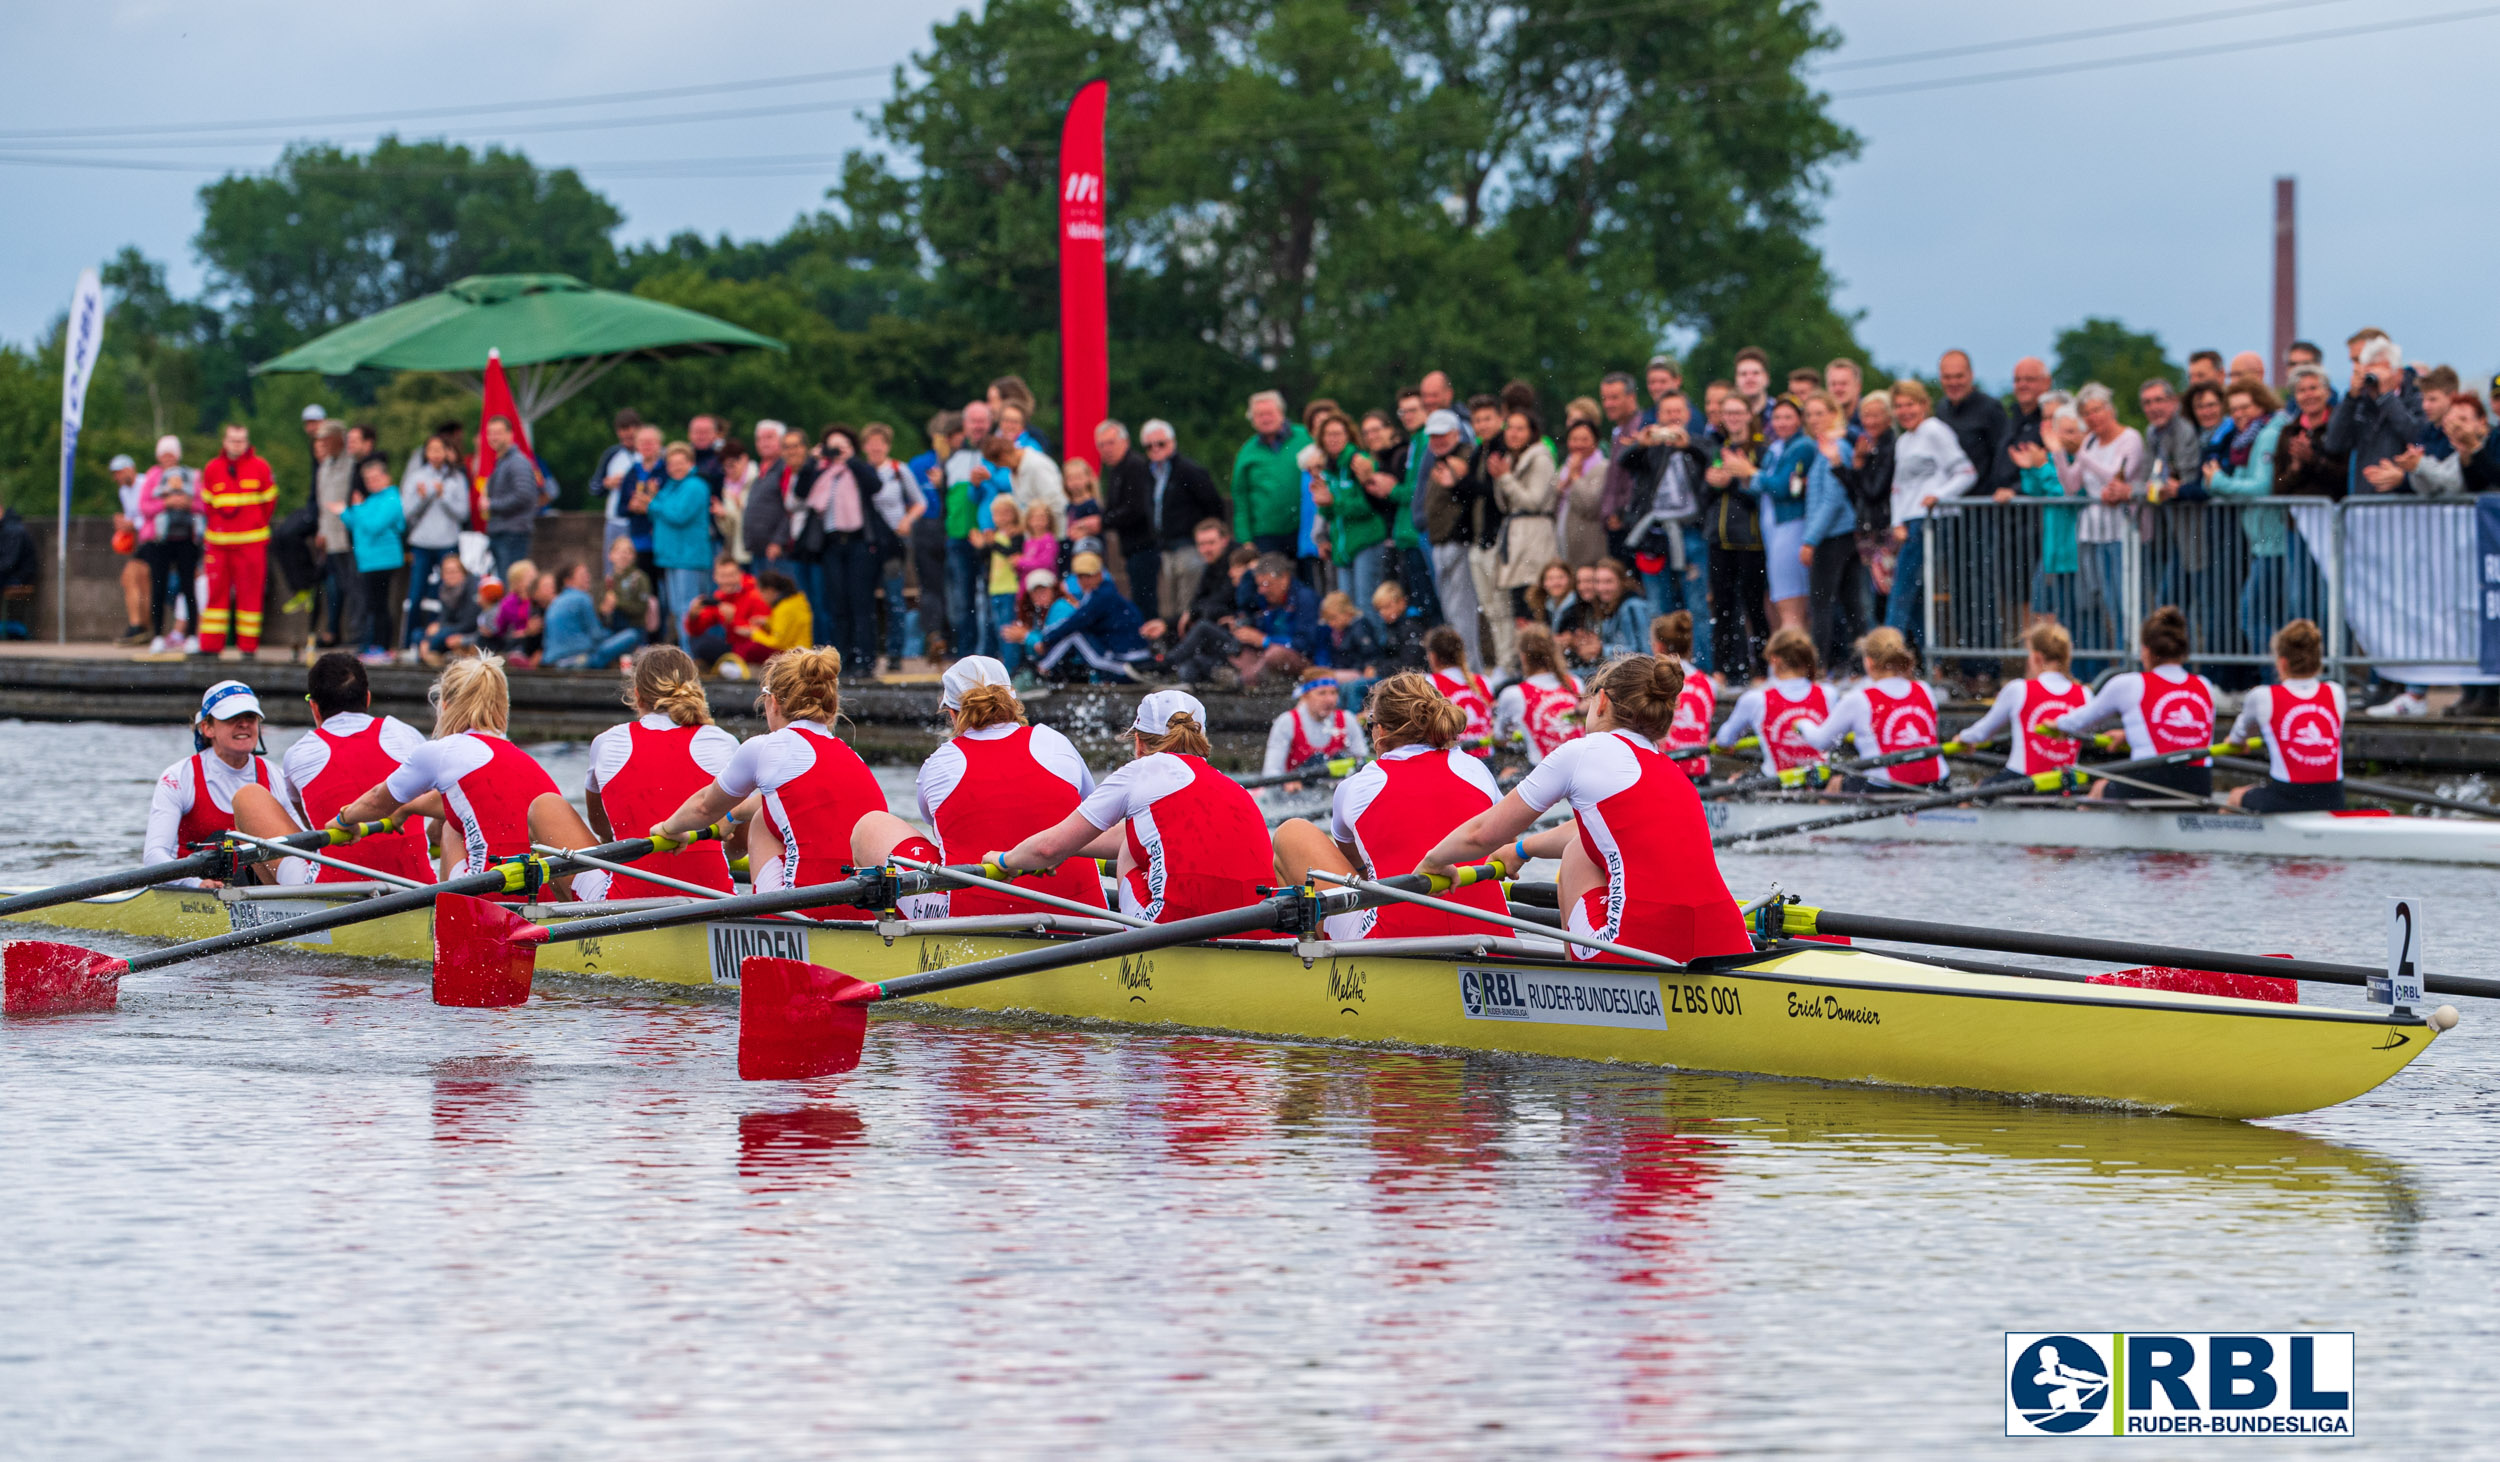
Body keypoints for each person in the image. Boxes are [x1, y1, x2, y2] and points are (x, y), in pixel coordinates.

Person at [1419, 655, 1752, 965]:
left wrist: (1432, 862)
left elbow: (1482, 835)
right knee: (1590, 841)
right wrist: (1522, 848)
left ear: (1602, 700)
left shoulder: (1582, 752)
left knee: (1577, 854)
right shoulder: (1672, 772)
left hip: (1638, 946)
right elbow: (1598, 830)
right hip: (1726, 939)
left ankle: (1577, 984)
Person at [328, 655, 601, 895]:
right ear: (500, 707)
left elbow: (378, 801)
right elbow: (473, 799)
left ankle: (442, 916)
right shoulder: (519, 756)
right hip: (541, 890)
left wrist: (344, 819)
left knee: (451, 825)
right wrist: (408, 808)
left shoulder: (442, 751)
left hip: (487, 890)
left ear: (445, 705)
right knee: (456, 815)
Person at [1267, 672, 1510, 941]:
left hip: (1392, 939)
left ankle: (1314, 961)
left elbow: (1355, 868)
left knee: (1291, 832)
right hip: (1495, 932)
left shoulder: (1354, 787)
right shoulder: (1476, 769)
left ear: (1380, 730)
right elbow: (1507, 841)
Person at [995, 691, 1273, 926]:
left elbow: (1048, 849)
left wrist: (1005, 860)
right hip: (1254, 922)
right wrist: (1070, 849)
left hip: (1168, 930)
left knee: (1131, 848)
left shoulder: (1140, 771)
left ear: (1139, 743)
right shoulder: (1231, 785)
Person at [650, 646, 885, 919]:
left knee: (763, 818)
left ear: (773, 702)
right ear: (830, 707)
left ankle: (764, 918)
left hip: (803, 911)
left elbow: (704, 807)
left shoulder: (764, 748)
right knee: (772, 810)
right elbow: (796, 800)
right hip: (865, 907)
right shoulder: (851, 755)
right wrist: (734, 815)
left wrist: (669, 828)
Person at [866, 656, 1108, 919]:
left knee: (871, 826)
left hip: (972, 920)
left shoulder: (939, 763)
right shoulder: (1054, 741)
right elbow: (1090, 817)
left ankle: (893, 942)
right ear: (1013, 701)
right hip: (1085, 916)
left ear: (952, 713)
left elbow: (936, 826)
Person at [580, 646, 739, 897]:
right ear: (696, 689)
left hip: (625, 901)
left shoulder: (607, 741)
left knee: (546, 805)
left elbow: (601, 827)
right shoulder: (723, 741)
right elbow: (738, 840)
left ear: (637, 696)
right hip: (715, 896)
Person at [280, 653, 434, 884]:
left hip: (331, 893)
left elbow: (305, 825)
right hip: (418, 885)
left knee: (249, 797)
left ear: (314, 707)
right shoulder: (406, 734)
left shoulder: (298, 753)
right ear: (368, 698)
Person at [143, 680, 308, 885]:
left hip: (258, 892)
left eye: (250, 717)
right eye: (232, 718)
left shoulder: (275, 776)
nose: (244, 724)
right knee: (222, 838)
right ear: (207, 728)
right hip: (194, 895)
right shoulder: (178, 777)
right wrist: (194, 884)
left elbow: (303, 847)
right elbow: (153, 858)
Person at [2054, 605, 2219, 800]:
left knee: (2100, 787)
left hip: (2151, 781)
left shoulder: (2129, 684)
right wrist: (2130, 734)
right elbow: (2184, 731)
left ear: (2146, 651)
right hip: (2199, 784)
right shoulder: (2205, 685)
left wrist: (2055, 724)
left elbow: (2078, 723)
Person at [1883, 380, 1977, 647]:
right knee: (1913, 595)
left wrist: (1940, 495)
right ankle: (1927, 660)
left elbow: (1967, 472)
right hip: (1910, 521)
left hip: (1933, 520)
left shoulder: (1935, 430)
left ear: (1924, 405)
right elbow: (1898, 488)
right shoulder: (1903, 440)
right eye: (1899, 406)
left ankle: (1887, 654)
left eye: (1910, 404)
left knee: (1903, 589)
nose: (1904, 411)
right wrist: (1896, 521)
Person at [1795, 627, 1945, 788]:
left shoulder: (1858, 699)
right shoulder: (1924, 689)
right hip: (1938, 783)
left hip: (1884, 787)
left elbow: (1821, 741)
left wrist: (1801, 724)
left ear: (1869, 662)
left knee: (1833, 783)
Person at [2222, 618, 2346, 811]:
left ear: (2282, 662)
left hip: (2286, 799)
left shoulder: (2262, 696)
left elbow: (2237, 739)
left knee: (2235, 796)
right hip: (2334, 798)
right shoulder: (2336, 693)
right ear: (2317, 662)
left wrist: (2236, 743)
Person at [1956, 621, 2087, 788]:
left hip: (2021, 784)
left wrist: (1963, 738)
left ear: (2036, 657)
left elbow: (1982, 733)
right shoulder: (2085, 694)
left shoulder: (2019, 689)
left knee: (1973, 792)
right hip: (2064, 785)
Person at [196, 424, 279, 660]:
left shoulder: (260, 467)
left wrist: (254, 525)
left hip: (251, 543)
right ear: (224, 441)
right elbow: (207, 505)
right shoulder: (213, 468)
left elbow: (269, 503)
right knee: (215, 594)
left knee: (250, 595)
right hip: (219, 544)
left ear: (247, 442)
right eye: (233, 440)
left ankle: (248, 648)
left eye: (241, 440)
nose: (237, 445)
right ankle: (210, 647)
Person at [1700, 392, 1769, 676]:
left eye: (1738, 413)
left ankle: (1762, 670)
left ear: (1749, 416)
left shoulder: (1761, 450)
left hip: (1751, 540)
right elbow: (1704, 498)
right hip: (1719, 539)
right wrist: (1712, 484)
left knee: (1755, 607)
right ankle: (1720, 670)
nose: (1733, 418)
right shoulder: (1716, 449)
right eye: (1727, 413)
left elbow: (1765, 495)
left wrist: (1741, 479)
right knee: (1723, 607)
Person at [1798, 391, 1864, 671]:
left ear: (1833, 414)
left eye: (1819, 413)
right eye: (1809, 414)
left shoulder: (1836, 448)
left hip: (1833, 535)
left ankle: (1817, 668)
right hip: (1841, 533)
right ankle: (1862, 666)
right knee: (1852, 605)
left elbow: (1833, 499)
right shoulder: (1825, 448)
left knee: (1822, 604)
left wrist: (1810, 539)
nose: (1814, 419)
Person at [1015, 551, 1152, 682]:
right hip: (1128, 655)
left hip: (1128, 660)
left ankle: (1041, 671)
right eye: (1080, 577)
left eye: (1089, 575)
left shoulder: (1101, 596)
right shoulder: (1103, 593)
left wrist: (1043, 641)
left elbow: (1073, 623)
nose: (1084, 581)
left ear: (1099, 574)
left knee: (1074, 635)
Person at [1715, 626, 1826, 774]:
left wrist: (1721, 744)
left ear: (1774, 659)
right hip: (1821, 780)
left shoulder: (1755, 699)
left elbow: (1724, 740)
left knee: (1734, 781)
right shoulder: (1828, 694)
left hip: (1776, 785)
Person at [400, 434, 469, 660]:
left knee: (448, 593)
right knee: (416, 592)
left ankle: (438, 641)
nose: (436, 454)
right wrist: (423, 498)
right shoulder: (416, 477)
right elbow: (406, 513)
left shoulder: (456, 478)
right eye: (432, 449)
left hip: (447, 542)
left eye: (441, 449)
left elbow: (463, 512)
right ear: (426, 453)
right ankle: (411, 641)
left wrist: (443, 497)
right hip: (422, 542)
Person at [137, 436, 202, 653]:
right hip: (161, 541)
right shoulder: (153, 477)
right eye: (164, 454)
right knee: (158, 587)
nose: (168, 458)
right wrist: (166, 503)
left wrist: (188, 504)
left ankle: (192, 634)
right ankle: (157, 635)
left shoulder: (191, 476)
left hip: (186, 539)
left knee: (188, 587)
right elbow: (144, 507)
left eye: (171, 454)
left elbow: (203, 504)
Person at [648, 442, 716, 650]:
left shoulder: (695, 485)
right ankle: (687, 654)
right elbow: (659, 511)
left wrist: (653, 501)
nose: (675, 467)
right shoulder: (671, 485)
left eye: (680, 463)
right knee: (677, 610)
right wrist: (656, 503)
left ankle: (693, 655)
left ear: (690, 463)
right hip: (671, 557)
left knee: (690, 610)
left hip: (690, 558)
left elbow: (678, 515)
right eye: (671, 463)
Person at [337, 456, 406, 662]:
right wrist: (344, 512)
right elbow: (356, 524)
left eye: (375, 478)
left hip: (383, 560)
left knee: (380, 605)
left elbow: (374, 526)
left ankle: (383, 647)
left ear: (386, 477)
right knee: (372, 604)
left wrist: (356, 509)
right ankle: (373, 645)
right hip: (368, 561)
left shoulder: (391, 498)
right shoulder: (373, 499)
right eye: (368, 479)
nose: (371, 483)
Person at [1232, 390, 1312, 558]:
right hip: (1265, 535)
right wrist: (1245, 539)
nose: (1265, 418)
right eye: (1259, 415)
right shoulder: (1247, 452)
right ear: (1252, 419)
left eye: (1269, 413)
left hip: (1304, 527)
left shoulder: (1305, 437)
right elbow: (1240, 497)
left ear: (1281, 413)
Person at [1493, 625, 1584, 764]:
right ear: (1554, 652)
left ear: (1523, 657)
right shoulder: (1576, 683)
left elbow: (1500, 737)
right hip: (1580, 768)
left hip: (1545, 776)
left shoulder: (1513, 695)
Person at [1264, 665, 1371, 779]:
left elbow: (1362, 764)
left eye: (1333, 693)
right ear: (1305, 696)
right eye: (1322, 693)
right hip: (1296, 793)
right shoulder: (1287, 722)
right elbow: (1271, 772)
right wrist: (1286, 782)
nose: (1330, 699)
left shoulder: (1347, 720)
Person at [542, 561, 642, 670]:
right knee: (631, 635)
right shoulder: (582, 598)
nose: (588, 577)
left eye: (587, 574)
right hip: (580, 658)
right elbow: (596, 635)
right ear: (568, 581)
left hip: (552, 660)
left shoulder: (554, 602)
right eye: (583, 575)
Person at [1650, 611, 1715, 780]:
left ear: (1659, 647)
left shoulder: (1652, 680)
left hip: (1665, 772)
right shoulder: (1709, 682)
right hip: (1700, 773)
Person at [481, 416, 540, 579]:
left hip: (512, 533)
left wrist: (492, 504)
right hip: (503, 532)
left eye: (498, 433)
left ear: (510, 435)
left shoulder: (517, 462)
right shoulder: (503, 462)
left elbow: (525, 496)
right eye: (490, 433)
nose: (493, 437)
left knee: (512, 585)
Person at [684, 555, 770, 669]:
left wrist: (733, 621)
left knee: (753, 648)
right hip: (735, 648)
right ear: (715, 577)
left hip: (753, 648)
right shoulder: (720, 596)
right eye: (723, 576)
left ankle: (728, 667)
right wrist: (693, 616)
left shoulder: (756, 594)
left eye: (731, 575)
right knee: (696, 640)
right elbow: (696, 630)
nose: (727, 581)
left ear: (740, 574)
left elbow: (762, 634)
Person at [1425, 625, 1494, 753]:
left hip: (1454, 760)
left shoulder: (1429, 683)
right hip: (1485, 759)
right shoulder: (1484, 681)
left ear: (1433, 656)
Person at [417, 555, 479, 666]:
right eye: (447, 572)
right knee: (417, 634)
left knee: (439, 636)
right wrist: (436, 627)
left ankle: (428, 656)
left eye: (454, 571)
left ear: (463, 572)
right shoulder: (445, 590)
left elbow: (469, 623)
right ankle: (431, 654)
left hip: (467, 631)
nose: (451, 576)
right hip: (450, 629)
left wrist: (439, 630)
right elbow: (444, 617)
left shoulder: (472, 589)